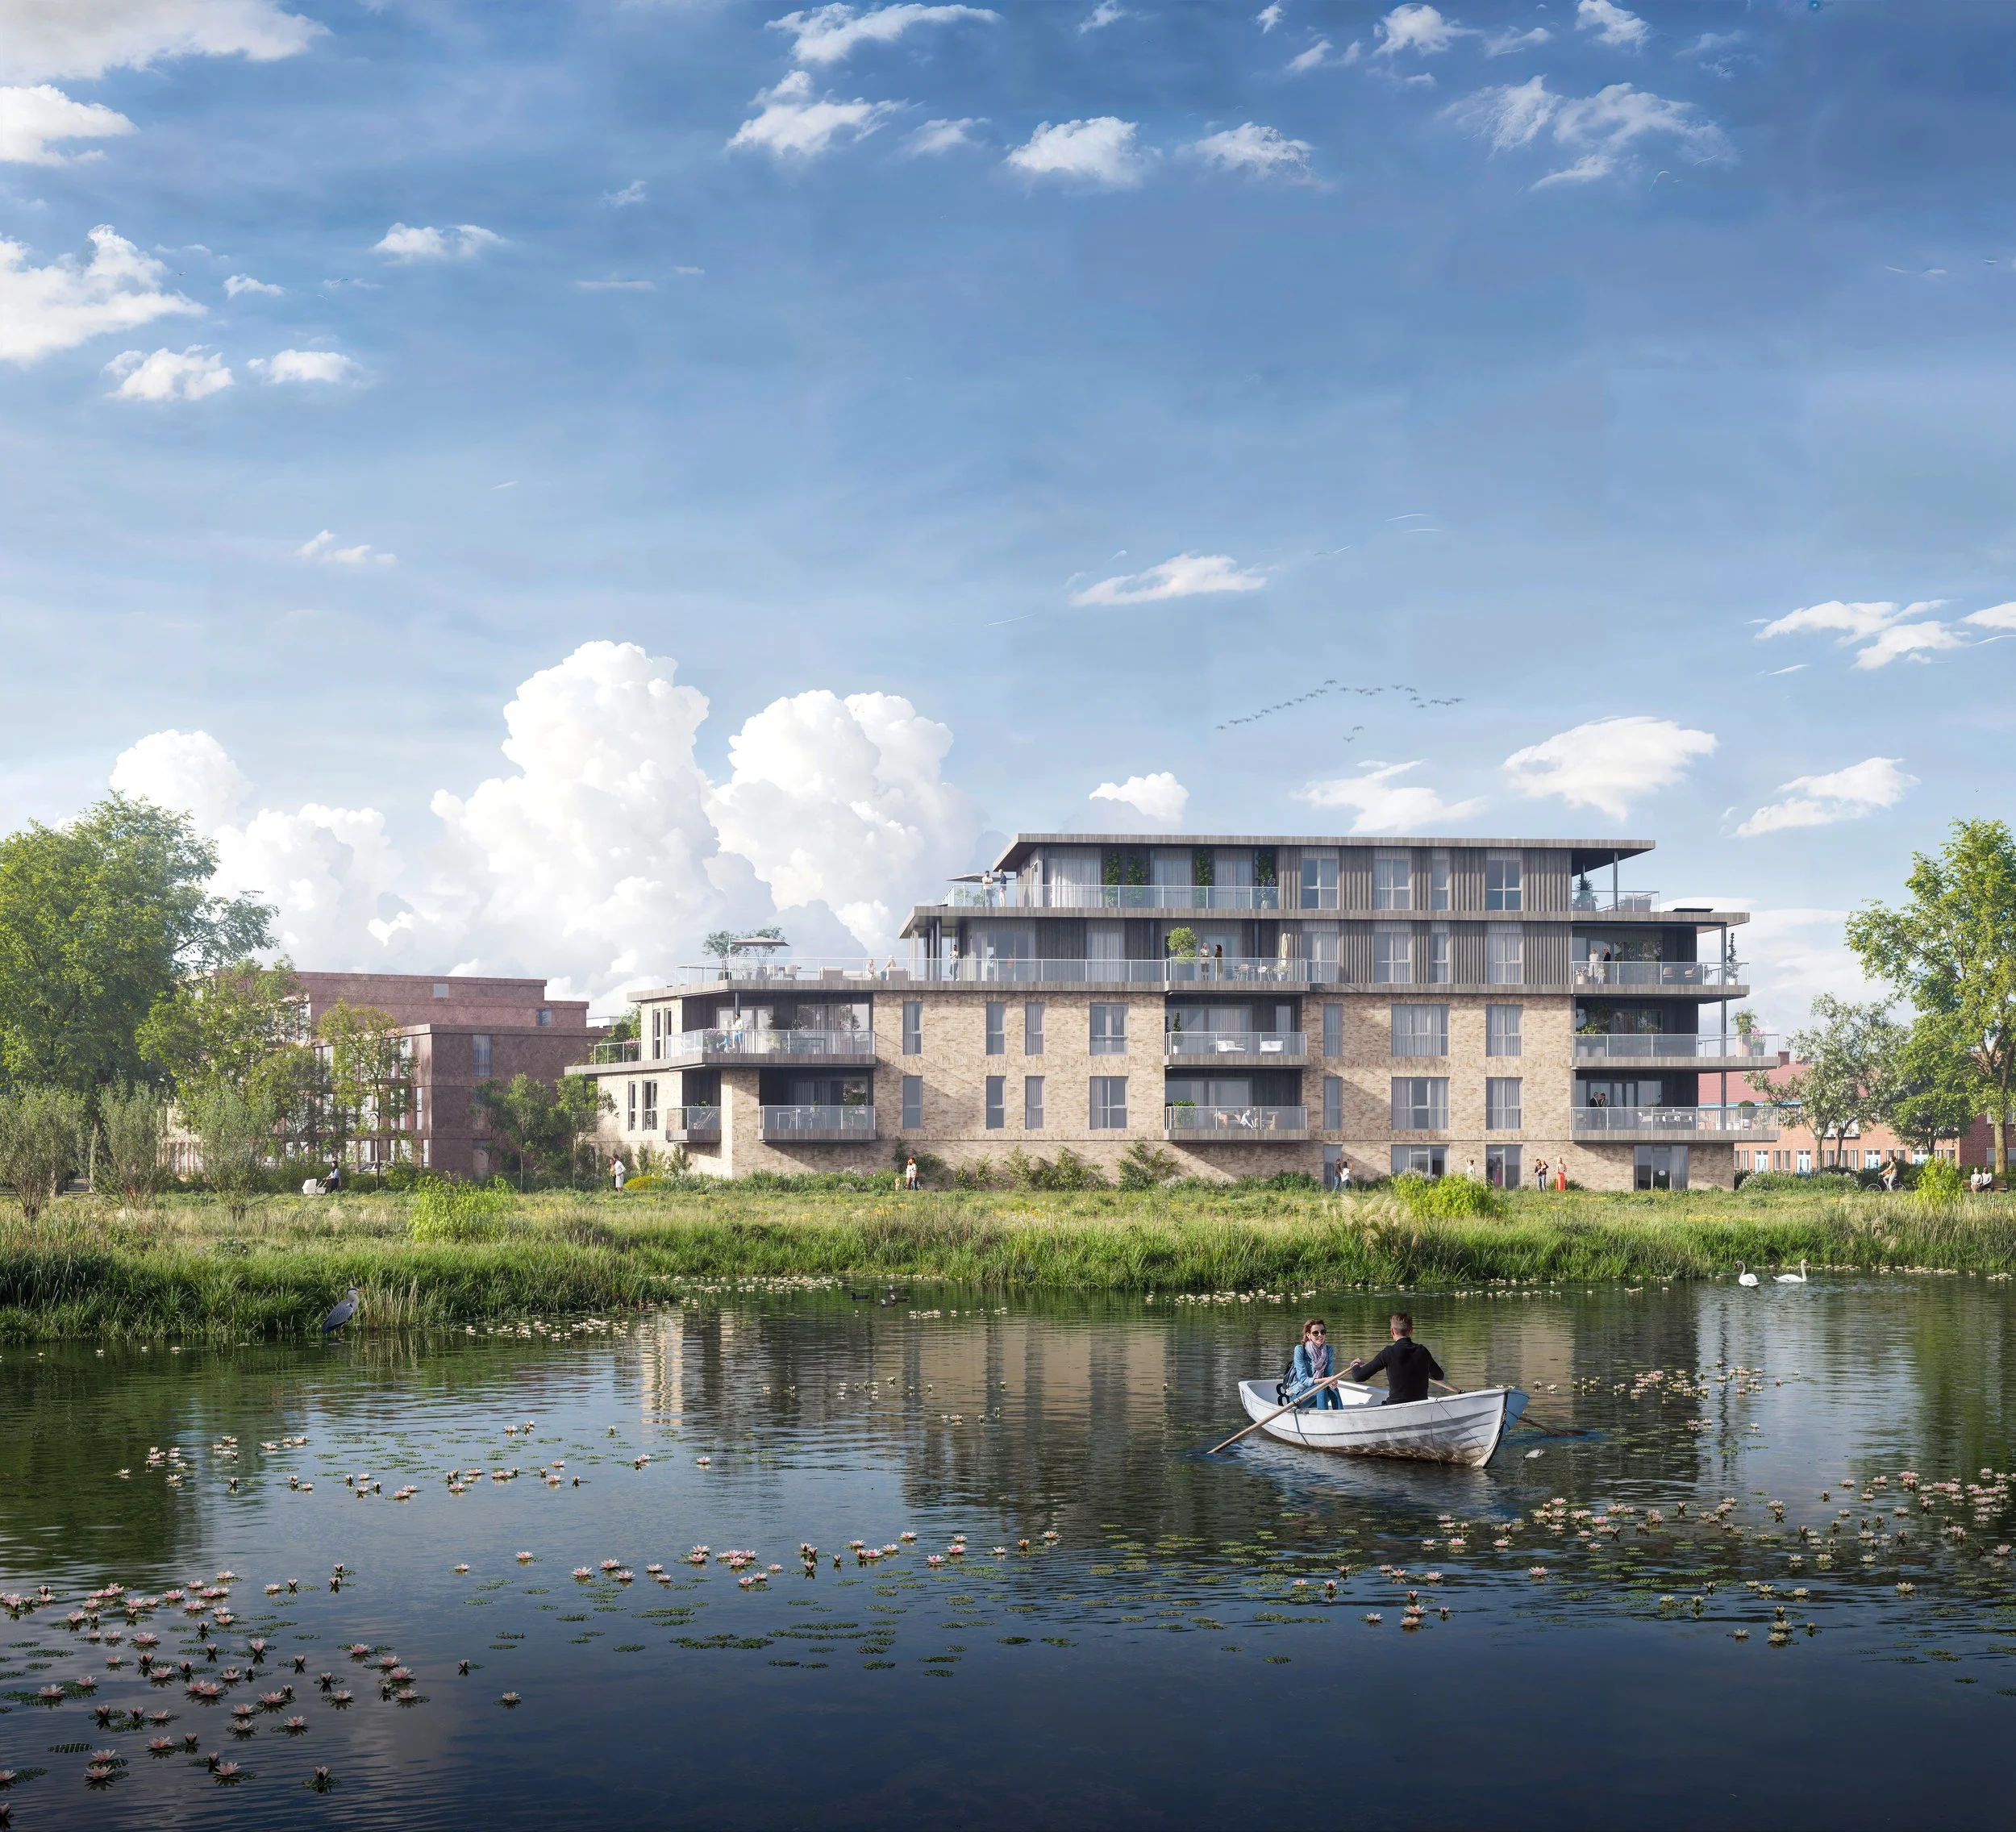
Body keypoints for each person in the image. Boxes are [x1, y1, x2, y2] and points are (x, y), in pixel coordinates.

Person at [1347, 1312, 1444, 1406]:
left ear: (1392, 1331)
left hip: (1394, 1406)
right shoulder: (1422, 1351)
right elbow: (1439, 1376)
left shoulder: (1389, 1353)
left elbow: (1358, 1376)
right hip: (1420, 1406)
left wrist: (1355, 1365)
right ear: (1411, 1331)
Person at [1289, 1318, 1343, 1409]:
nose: (1320, 1335)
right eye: (1315, 1333)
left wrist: (1332, 1381)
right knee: (1320, 1388)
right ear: (1309, 1335)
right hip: (1298, 1396)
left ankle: (1341, 1417)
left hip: (1319, 1395)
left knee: (1333, 1389)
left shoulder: (1329, 1350)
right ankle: (1324, 1418)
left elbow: (1329, 1375)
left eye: (1323, 1332)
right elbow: (1303, 1379)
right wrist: (1322, 1381)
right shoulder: (1300, 1349)